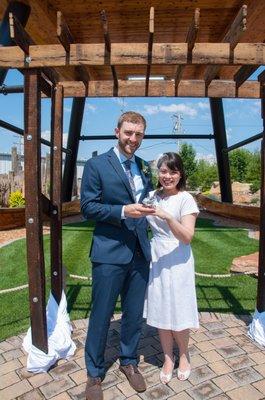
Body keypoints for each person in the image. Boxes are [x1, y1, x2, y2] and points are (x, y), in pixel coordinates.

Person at [80, 111, 155, 400]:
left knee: (134, 315)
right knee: (101, 315)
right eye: (128, 133)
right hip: (109, 252)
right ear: (117, 131)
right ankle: (94, 373)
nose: (132, 139)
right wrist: (124, 211)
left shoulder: (144, 166)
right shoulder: (97, 164)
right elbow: (88, 206)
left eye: (138, 134)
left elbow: (146, 201)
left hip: (139, 252)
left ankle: (129, 361)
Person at [143, 152, 199, 384]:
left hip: (178, 259)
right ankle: (168, 357)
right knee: (160, 308)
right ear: (158, 173)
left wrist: (167, 216)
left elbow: (187, 236)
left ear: (180, 174)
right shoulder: (151, 196)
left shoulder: (186, 199)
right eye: (163, 171)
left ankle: (184, 356)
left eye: (172, 171)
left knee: (179, 309)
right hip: (157, 258)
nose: (167, 176)